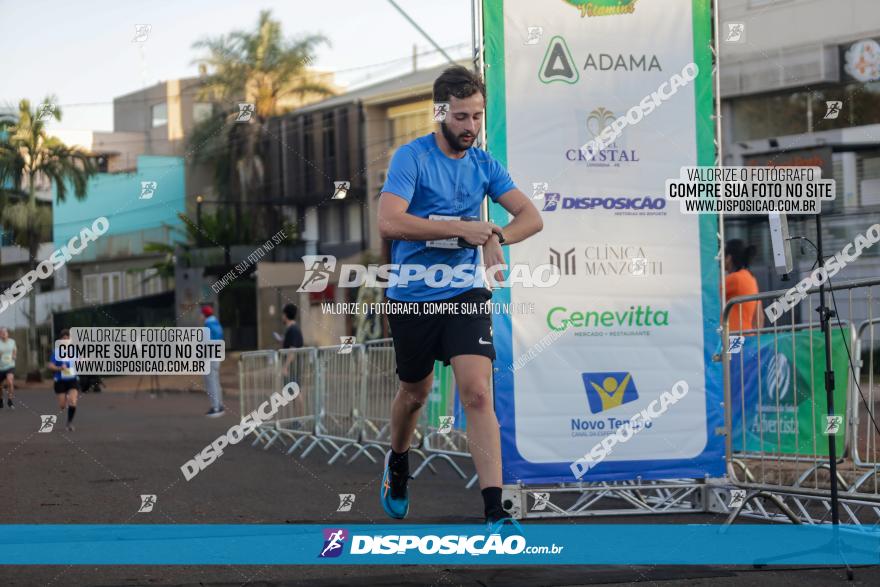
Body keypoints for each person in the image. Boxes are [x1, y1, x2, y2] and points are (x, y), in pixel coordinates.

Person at [376, 65, 543, 529]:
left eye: (477, 117)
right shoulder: (411, 158)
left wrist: (497, 237)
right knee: (416, 391)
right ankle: (398, 461)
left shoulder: (484, 164)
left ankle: (495, 509)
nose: (471, 127)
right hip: (411, 294)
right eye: (462, 117)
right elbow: (390, 222)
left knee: (476, 393)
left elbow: (531, 216)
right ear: (441, 112)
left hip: (466, 292)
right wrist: (462, 227)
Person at [724, 239, 762, 332]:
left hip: (733, 337)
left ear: (728, 258)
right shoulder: (750, 277)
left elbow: (708, 293)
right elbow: (760, 316)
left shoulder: (734, 279)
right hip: (747, 336)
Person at [47, 329, 79, 431]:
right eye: (63, 338)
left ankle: (69, 423)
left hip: (72, 380)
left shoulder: (74, 351)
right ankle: (66, 403)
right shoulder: (56, 352)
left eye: (67, 338)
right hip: (60, 380)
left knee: (73, 401)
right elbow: (50, 365)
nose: (65, 340)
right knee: (62, 405)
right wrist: (59, 368)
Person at [201, 305, 225, 417]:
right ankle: (219, 405)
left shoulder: (207, 325)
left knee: (211, 383)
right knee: (215, 381)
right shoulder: (217, 324)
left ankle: (215, 408)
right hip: (217, 356)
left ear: (204, 315)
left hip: (210, 357)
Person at [0, 327, 16, 409]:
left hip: (10, 366)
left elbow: (14, 351)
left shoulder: (12, 342)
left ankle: (10, 400)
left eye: (5, 332)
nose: (3, 334)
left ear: (7, 334)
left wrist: (14, 356)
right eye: (2, 333)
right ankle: (1, 399)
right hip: (0, 367)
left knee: (10, 381)